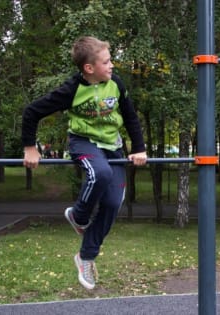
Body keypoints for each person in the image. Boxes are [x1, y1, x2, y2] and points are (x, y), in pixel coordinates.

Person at [21, 36, 147, 289]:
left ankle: (86, 257)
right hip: (84, 143)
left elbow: (131, 117)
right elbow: (32, 112)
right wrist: (30, 147)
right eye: (106, 62)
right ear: (89, 68)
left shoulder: (116, 84)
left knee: (112, 203)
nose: (112, 66)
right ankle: (79, 215)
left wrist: (140, 148)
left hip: (113, 145)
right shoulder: (71, 90)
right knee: (100, 173)